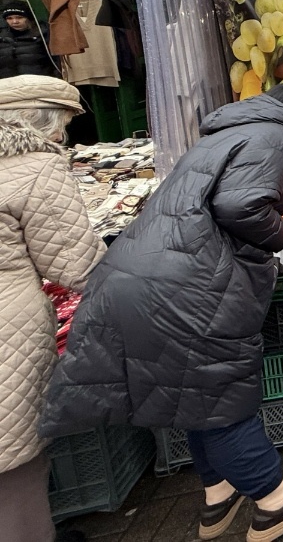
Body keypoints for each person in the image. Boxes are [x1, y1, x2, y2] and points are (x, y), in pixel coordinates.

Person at [39, 83, 283, 542]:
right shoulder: (278, 135)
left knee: (194, 396)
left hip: (147, 274)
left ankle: (218, 495)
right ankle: (277, 500)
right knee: (221, 400)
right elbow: (238, 204)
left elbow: (214, 194)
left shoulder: (227, 131)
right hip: (190, 285)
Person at [0, 76, 105, 542]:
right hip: (8, 333)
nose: (63, 137)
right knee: (14, 467)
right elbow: (76, 264)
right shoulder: (34, 165)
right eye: (62, 126)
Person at [1, 0, 57, 79]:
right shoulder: (2, 38)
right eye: (9, 18)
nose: (14, 22)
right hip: (9, 85)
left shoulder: (43, 34)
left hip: (40, 84)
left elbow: (57, 62)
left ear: (28, 18)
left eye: (19, 17)